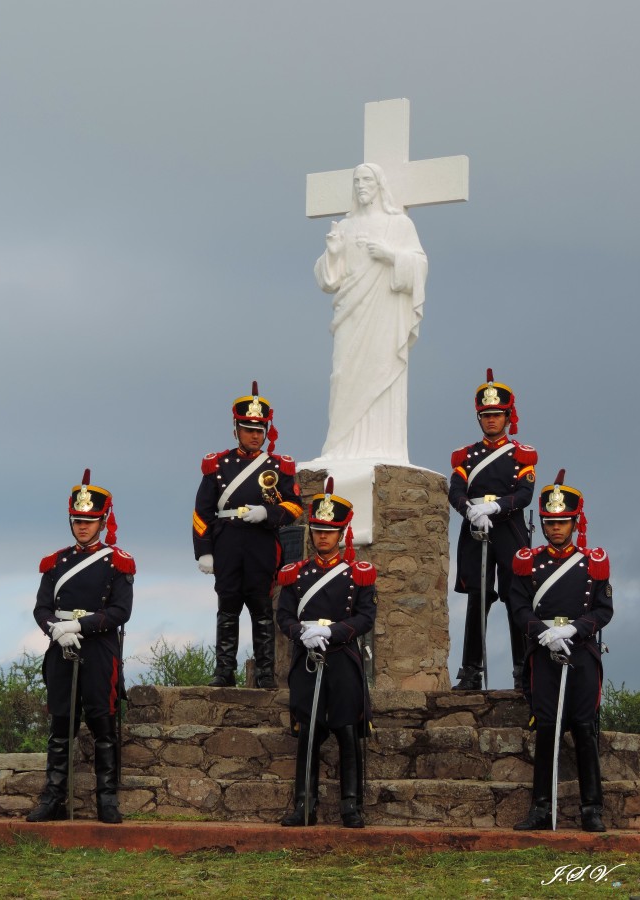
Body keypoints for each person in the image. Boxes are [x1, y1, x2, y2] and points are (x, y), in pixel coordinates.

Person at [27, 470, 135, 825]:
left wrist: (81, 625)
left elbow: (121, 611)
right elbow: (41, 608)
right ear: (71, 520)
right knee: (61, 727)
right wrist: (57, 630)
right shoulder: (55, 562)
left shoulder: (117, 561)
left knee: (103, 726)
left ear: (103, 521)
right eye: (78, 520)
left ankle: (107, 800)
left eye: (90, 521)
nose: (83, 527)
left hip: (99, 650)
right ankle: (53, 797)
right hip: (61, 648)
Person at [510, 471, 612, 832]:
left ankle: (591, 809)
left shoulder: (593, 562)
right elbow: (519, 607)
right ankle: (540, 808)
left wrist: (574, 629)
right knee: (547, 730)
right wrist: (543, 633)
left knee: (584, 730)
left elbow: (603, 610)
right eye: (550, 522)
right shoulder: (528, 562)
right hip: (545, 655)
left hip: (580, 654)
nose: (556, 528)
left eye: (562, 522)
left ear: (575, 522)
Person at [276, 479, 377, 828]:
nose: (323, 537)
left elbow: (366, 617)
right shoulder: (295, 574)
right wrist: (302, 633)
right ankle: (304, 804)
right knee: (308, 731)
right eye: (318, 529)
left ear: (342, 533)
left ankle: (351, 805)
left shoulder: (358, 575)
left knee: (347, 729)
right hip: (306, 660)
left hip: (342, 660)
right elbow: (283, 615)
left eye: (330, 531)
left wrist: (332, 632)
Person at [314, 163, 428, 462]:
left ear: (379, 185)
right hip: (351, 313)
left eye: (367, 180)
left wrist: (390, 255)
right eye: (356, 180)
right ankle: (339, 446)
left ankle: (382, 446)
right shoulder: (346, 227)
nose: (361, 186)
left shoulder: (399, 225)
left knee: (383, 368)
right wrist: (335, 251)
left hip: (386, 314)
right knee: (342, 374)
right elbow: (329, 281)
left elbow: (419, 266)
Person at [193, 381, 303, 688]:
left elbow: (295, 506)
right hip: (227, 541)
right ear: (236, 429)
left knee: (261, 609)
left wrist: (269, 513)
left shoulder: (278, 467)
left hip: (261, 542)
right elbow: (202, 511)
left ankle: (265, 674)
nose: (254, 435)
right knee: (227, 608)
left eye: (259, 430)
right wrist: (204, 549)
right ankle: (223, 671)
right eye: (248, 429)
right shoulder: (217, 465)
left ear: (266, 431)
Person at [449, 369, 537, 690]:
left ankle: (522, 670)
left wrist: (496, 506)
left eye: (496, 415)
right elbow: (455, 490)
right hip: (475, 531)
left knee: (517, 600)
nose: (491, 420)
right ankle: (470, 672)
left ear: (507, 417)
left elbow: (525, 494)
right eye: (485, 415)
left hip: (509, 529)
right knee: (477, 598)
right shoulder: (466, 456)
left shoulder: (520, 454)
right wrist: (470, 510)